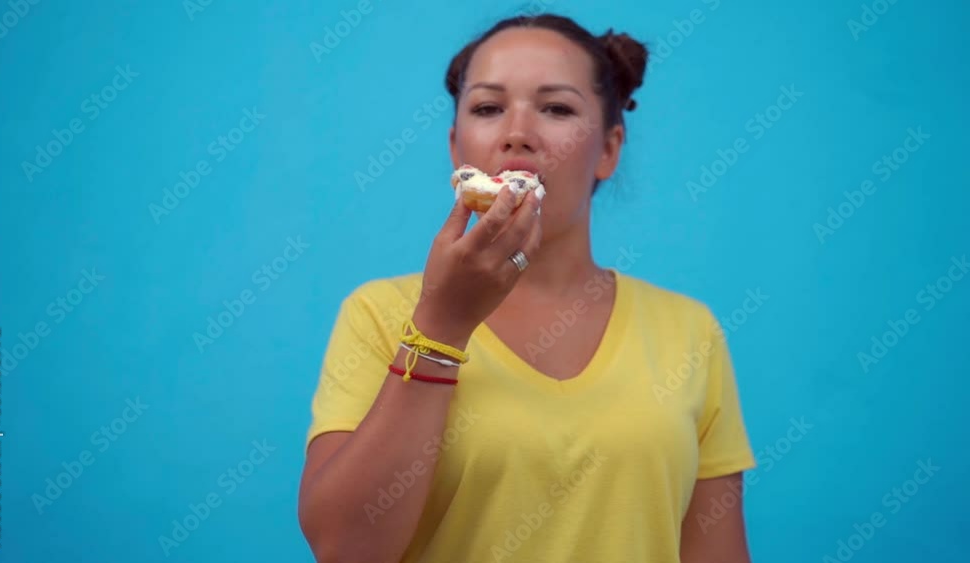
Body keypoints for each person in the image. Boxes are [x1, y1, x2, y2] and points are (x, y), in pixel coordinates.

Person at [298, 12, 756, 563]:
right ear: (456, 148)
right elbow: (344, 548)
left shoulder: (689, 332)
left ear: (609, 150)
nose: (517, 132)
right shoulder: (378, 314)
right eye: (488, 108)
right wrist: (441, 326)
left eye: (557, 108)